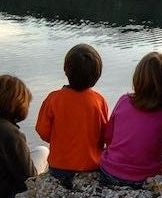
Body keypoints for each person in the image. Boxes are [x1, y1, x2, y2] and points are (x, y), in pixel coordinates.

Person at [35, 43, 109, 188]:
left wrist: (60, 138)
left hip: (58, 168)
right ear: (97, 75)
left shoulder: (53, 98)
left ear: (66, 70)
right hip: (92, 167)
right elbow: (106, 135)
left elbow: (42, 132)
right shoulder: (99, 101)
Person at [99, 52, 162, 188]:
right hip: (145, 178)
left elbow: (108, 136)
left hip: (109, 172)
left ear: (137, 77)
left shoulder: (123, 101)